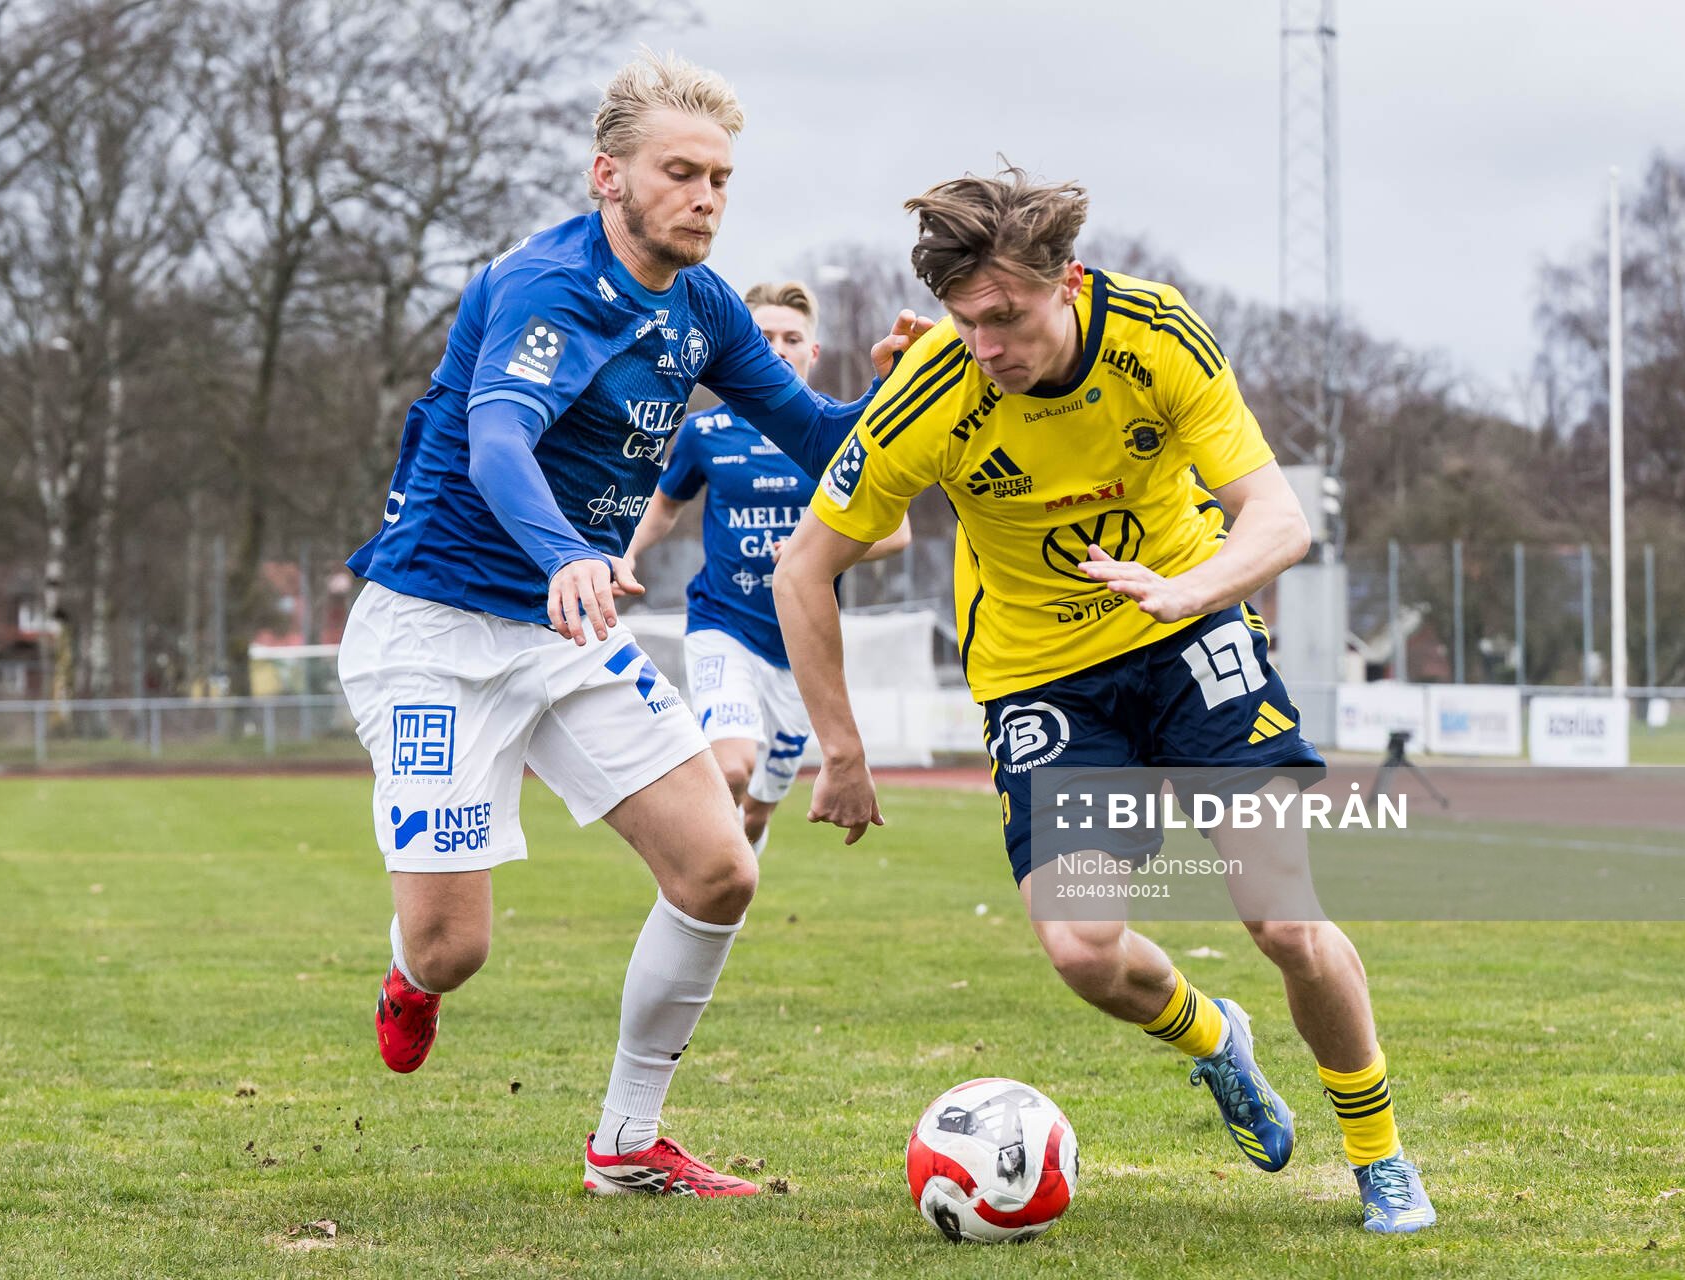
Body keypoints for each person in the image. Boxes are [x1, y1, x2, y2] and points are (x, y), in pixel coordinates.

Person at [773, 167, 1436, 1233]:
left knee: (1283, 917)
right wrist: (841, 749)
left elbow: (1277, 516)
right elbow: (803, 569)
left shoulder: (1156, 332)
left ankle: (1379, 1154)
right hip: (1043, 678)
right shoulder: (930, 393)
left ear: (1066, 282)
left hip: (1192, 626)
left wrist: (1190, 588)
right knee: (1082, 948)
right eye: (965, 320)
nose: (987, 344)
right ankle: (1215, 1039)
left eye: (1008, 315)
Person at [338, 51, 925, 1199]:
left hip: (568, 626)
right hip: (435, 632)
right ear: (610, 175)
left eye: (720, 177)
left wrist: (901, 394)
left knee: (718, 869)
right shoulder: (545, 285)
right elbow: (499, 436)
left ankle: (626, 1140)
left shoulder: (704, 303)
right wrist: (566, 552)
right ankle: (412, 976)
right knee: (456, 947)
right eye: (680, 172)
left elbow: (819, 440)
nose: (706, 197)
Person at [622, 281, 912, 855]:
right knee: (731, 767)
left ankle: (723, 880)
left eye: (792, 337)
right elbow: (663, 507)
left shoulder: (842, 435)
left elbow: (896, 532)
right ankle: (692, 883)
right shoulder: (705, 433)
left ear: (814, 352)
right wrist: (625, 552)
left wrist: (815, 551)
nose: (778, 348)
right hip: (721, 625)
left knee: (756, 807)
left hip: (803, 646)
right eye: (763, 337)